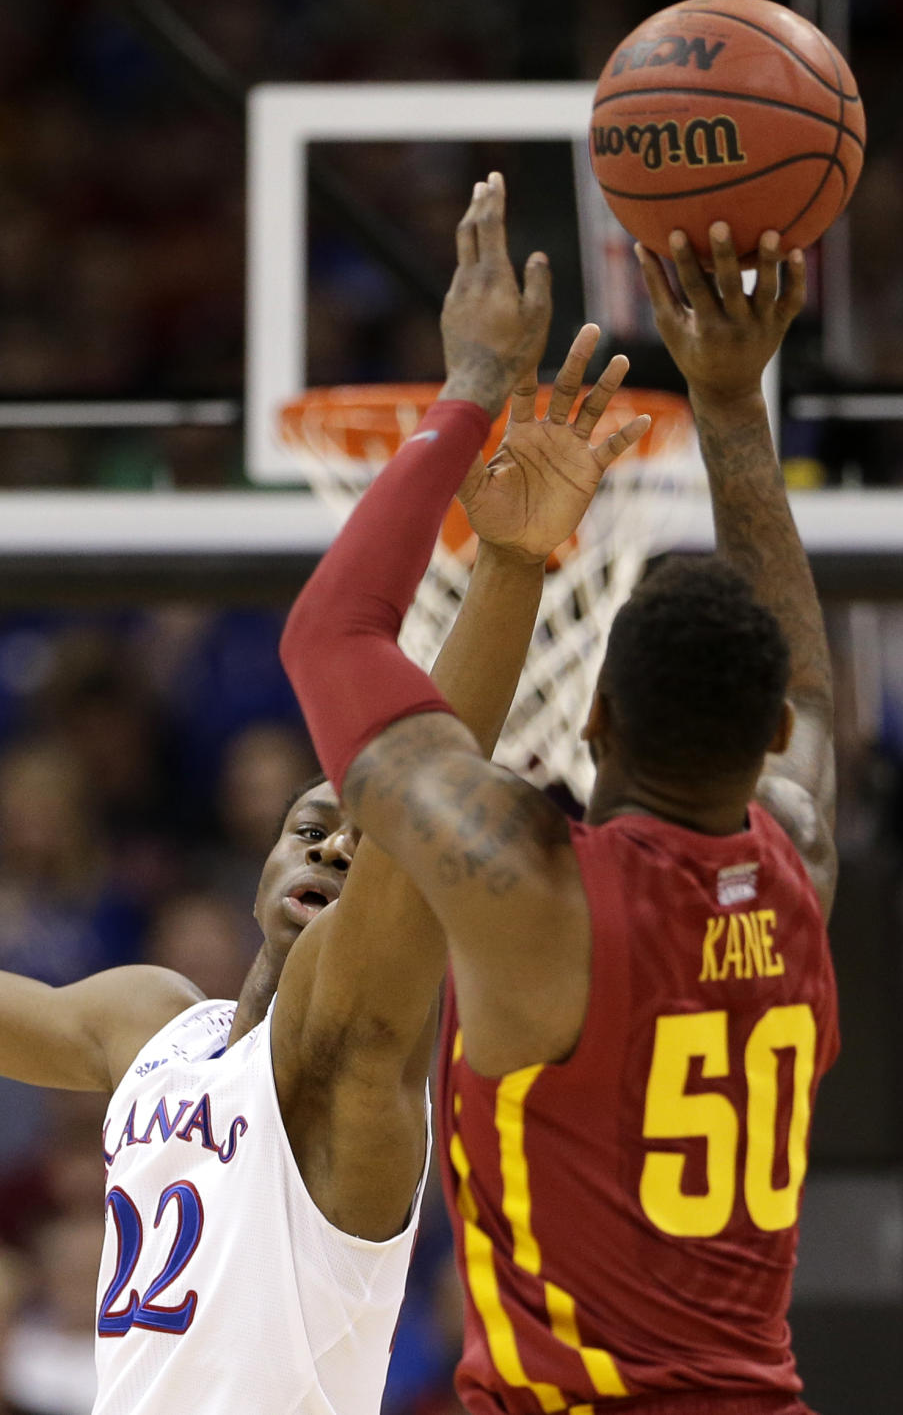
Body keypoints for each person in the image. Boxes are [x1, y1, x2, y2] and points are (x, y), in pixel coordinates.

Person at [0, 285, 645, 1411]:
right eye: (312, 828)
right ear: (257, 864)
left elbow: (424, 802)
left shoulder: (344, 1047)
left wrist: (506, 567)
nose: (338, 848)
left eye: (362, 841)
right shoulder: (154, 1021)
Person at [281, 172, 839, 1414]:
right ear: (775, 739)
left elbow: (329, 639)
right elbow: (806, 683)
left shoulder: (536, 890)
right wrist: (735, 408)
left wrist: (473, 394)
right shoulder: (795, 864)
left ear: (590, 718)